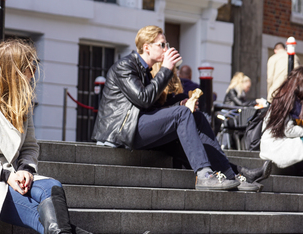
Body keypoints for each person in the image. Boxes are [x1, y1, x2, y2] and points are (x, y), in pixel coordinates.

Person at [0, 39, 151, 234]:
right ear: (10, 71)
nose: (30, 78)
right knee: (39, 214)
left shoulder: (21, 103)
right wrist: (6, 175)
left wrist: (26, 169)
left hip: (13, 174)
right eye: (27, 72)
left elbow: (30, 147)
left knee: (51, 185)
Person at [91, 25, 271, 192]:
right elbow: (144, 100)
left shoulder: (145, 70)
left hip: (138, 125)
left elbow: (151, 106)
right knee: (183, 115)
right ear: (147, 47)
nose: (166, 48)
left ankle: (233, 176)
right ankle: (204, 175)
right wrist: (167, 69)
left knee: (197, 117)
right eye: (162, 44)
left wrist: (179, 105)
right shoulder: (125, 66)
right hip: (122, 131)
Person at [260, 66, 303, 173]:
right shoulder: (288, 103)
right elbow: (288, 131)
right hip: (275, 148)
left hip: (274, 145)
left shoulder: (285, 99)